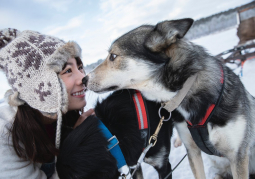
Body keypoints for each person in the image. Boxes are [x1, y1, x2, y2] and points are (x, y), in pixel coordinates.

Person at [0, 28, 95, 178]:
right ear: (38, 85)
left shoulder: (66, 117)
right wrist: (75, 146)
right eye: (68, 70)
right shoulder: (5, 137)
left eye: (80, 67)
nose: (83, 77)